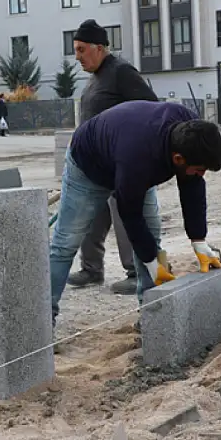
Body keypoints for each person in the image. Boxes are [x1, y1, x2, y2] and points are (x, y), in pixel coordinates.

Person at [50, 100, 221, 327]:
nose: (201, 175)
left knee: (152, 235)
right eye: (200, 169)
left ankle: (152, 317)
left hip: (127, 155)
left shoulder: (190, 129)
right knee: (65, 243)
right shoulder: (139, 159)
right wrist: (151, 261)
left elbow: (192, 185)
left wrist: (198, 239)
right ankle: (43, 325)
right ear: (178, 159)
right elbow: (129, 214)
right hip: (89, 166)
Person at [68, 19, 162, 297]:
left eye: (82, 50)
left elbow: (151, 109)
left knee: (126, 214)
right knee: (91, 216)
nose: (77, 57)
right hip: (95, 165)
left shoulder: (122, 72)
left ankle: (137, 272)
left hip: (122, 164)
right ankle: (91, 269)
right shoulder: (96, 77)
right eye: (75, 50)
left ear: (99, 48)